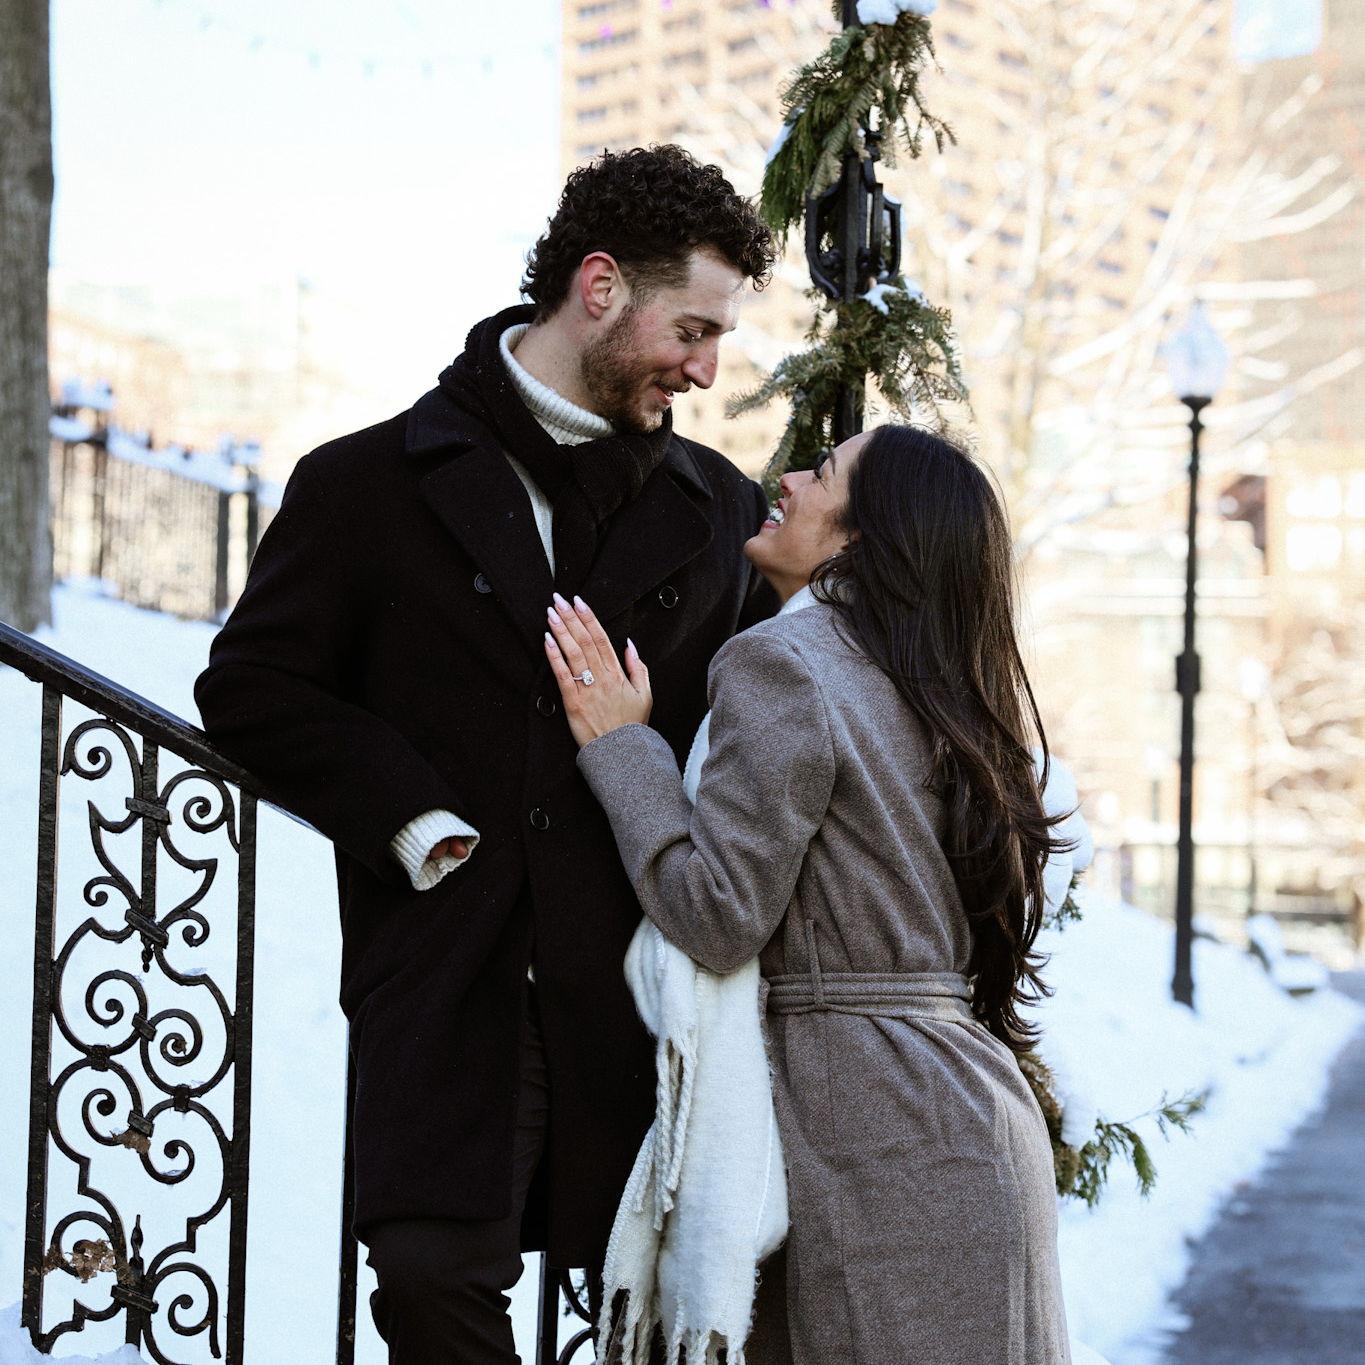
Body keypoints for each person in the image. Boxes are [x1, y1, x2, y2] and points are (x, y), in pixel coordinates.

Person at [193, 144, 778, 1361]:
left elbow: (762, 726)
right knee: (426, 1283)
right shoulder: (363, 485)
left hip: (636, 990)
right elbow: (251, 687)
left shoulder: (720, 511)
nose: (707, 371)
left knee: (671, 1310)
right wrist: (411, 817)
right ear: (600, 287)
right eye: (693, 330)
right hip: (449, 977)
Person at [546, 424, 1073, 1364]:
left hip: (870, 1126)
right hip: (968, 1115)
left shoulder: (785, 662)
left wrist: (622, 749)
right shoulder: (942, 678)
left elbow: (718, 914)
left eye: (822, 472)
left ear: (860, 537)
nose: (786, 478)